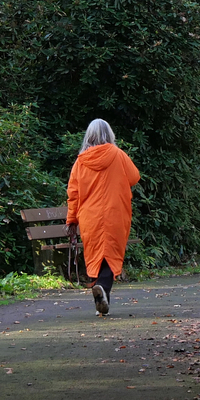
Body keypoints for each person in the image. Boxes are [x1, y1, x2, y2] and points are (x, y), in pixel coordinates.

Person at [66, 118, 140, 316]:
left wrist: (71, 220)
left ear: (88, 136)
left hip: (90, 217)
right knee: (111, 254)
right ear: (110, 135)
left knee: (98, 255)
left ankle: (102, 298)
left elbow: (73, 193)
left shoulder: (80, 161)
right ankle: (101, 290)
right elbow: (134, 177)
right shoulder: (118, 155)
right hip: (115, 214)